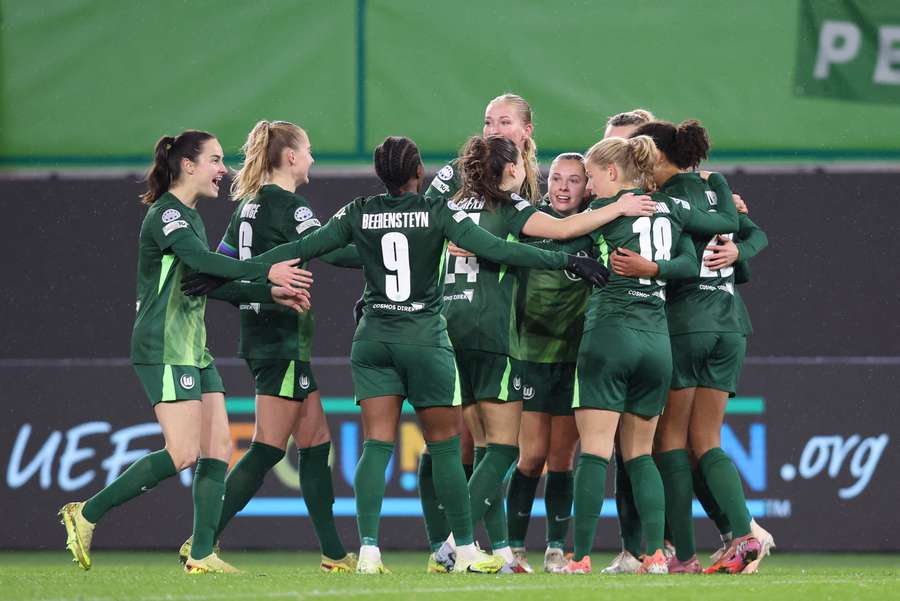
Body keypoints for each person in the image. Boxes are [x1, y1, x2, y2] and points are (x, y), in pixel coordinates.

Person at [183, 135, 611, 574]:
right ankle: (462, 549)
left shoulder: (357, 211)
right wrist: (567, 262)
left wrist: (224, 274)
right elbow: (500, 249)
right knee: (446, 448)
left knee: (376, 446)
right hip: (424, 338)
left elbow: (300, 250)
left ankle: (368, 551)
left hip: (373, 339)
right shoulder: (435, 212)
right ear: (418, 174)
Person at [58, 130, 311, 574]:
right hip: (164, 346)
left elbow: (207, 282)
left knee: (217, 450)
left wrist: (272, 292)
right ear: (187, 166)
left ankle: (201, 554)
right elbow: (209, 264)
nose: (223, 170)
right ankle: (86, 513)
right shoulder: (168, 216)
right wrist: (266, 267)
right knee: (182, 454)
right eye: (214, 160)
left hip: (194, 348)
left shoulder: (191, 218)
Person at [427, 135, 657, 572]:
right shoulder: (511, 209)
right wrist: (619, 208)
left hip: (445, 332)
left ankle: (495, 551)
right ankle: (455, 542)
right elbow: (563, 231)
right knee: (505, 451)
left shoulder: (452, 210)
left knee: (483, 449)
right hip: (492, 336)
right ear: (514, 170)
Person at [176, 120, 360, 572]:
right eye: (309, 149)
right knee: (267, 448)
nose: (313, 158)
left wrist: (252, 288)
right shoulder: (290, 207)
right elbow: (332, 250)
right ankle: (202, 540)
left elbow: (220, 272)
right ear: (292, 157)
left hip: (264, 338)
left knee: (316, 442)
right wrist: (394, 249)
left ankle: (334, 555)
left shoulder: (247, 208)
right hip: (281, 339)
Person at [564, 135, 739, 575]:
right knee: (641, 454)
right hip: (656, 343)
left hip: (610, 335)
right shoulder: (672, 208)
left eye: (589, 176)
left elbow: (557, 241)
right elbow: (693, 258)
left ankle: (580, 557)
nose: (587, 186)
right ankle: (657, 556)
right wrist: (727, 204)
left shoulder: (599, 214)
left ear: (611, 172)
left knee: (595, 452)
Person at [613, 119, 771, 574]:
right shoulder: (714, 188)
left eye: (642, 151)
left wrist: (649, 267)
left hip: (685, 324)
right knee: (708, 440)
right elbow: (756, 234)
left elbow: (680, 263)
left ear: (658, 156)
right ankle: (744, 535)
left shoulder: (663, 201)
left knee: (670, 444)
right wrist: (739, 251)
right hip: (730, 324)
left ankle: (682, 556)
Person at [504, 153, 593, 573]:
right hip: (529, 357)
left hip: (574, 359)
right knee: (530, 456)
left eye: (573, 181)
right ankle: (515, 547)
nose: (562, 187)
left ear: (587, 187)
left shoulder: (595, 228)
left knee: (562, 457)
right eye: (555, 178)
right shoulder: (528, 224)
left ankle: (557, 548)